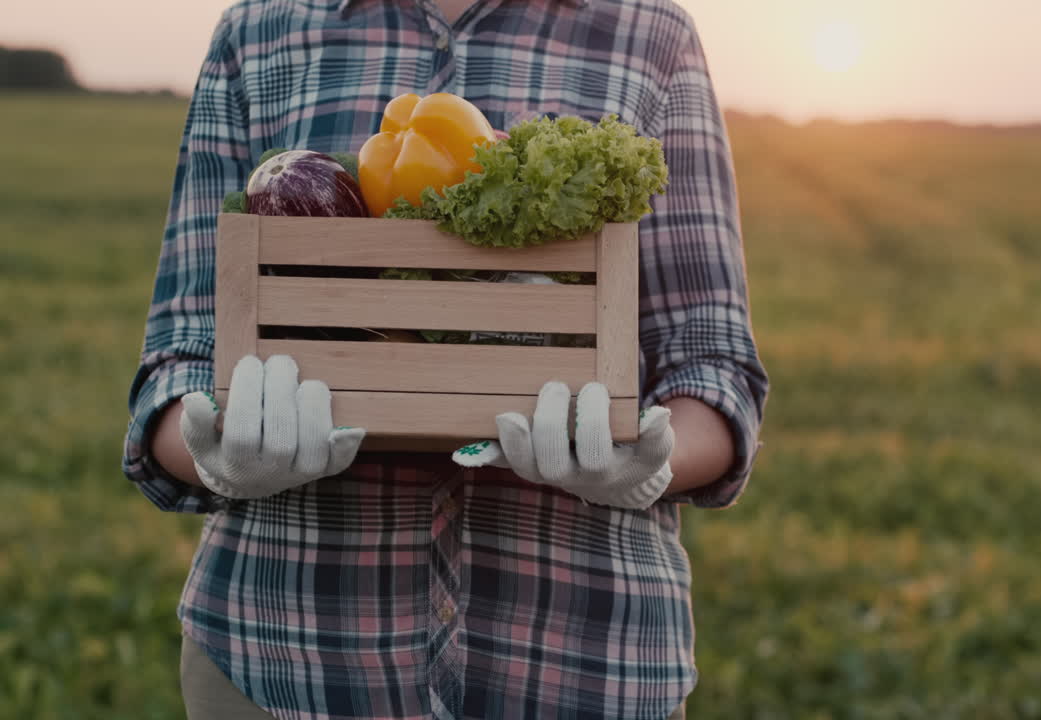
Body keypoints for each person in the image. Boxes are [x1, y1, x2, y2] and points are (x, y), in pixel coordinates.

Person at [122, 0, 769, 717]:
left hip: (582, 663)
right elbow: (178, 360)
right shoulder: (260, 29)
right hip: (284, 661)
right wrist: (219, 450)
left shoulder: (647, 31)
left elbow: (712, 366)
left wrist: (646, 460)